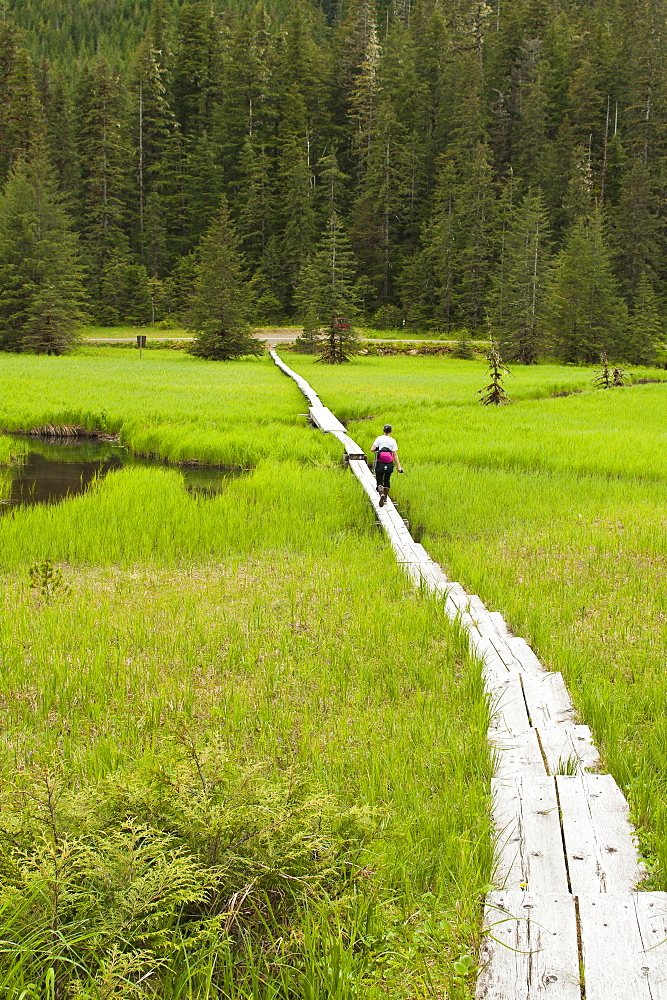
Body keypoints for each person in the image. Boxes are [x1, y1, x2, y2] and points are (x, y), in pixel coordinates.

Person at [370, 423, 402, 506]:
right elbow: (395, 454)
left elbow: (372, 449)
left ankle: (381, 494)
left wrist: (377, 449)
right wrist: (399, 467)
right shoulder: (393, 440)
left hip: (380, 463)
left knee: (379, 480)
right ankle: (385, 499)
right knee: (387, 479)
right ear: (391, 431)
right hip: (389, 463)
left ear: (383, 430)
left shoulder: (379, 438)